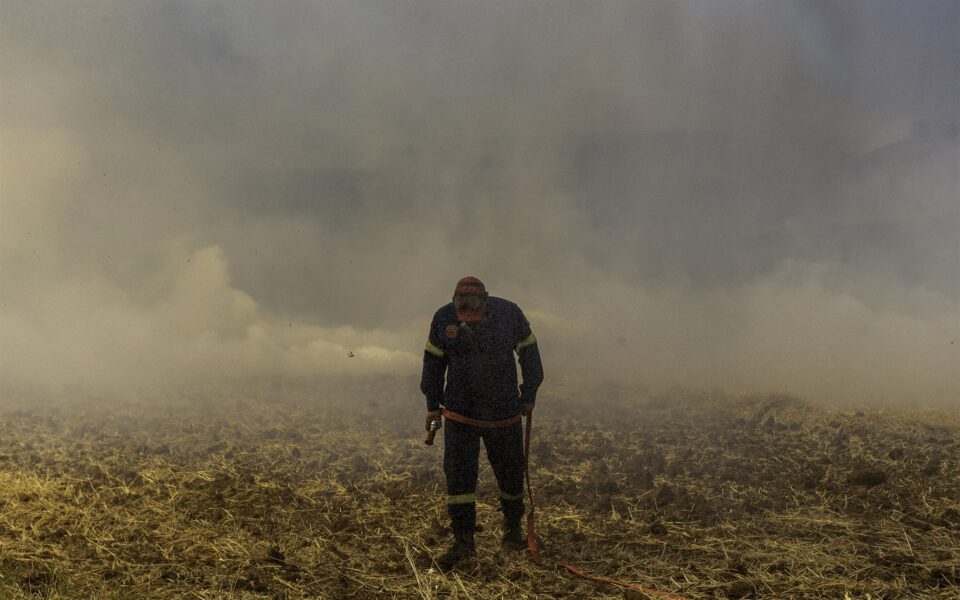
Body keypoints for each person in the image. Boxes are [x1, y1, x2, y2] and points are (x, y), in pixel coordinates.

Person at [420, 276, 544, 571]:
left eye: (474, 313)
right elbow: (433, 363)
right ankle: (463, 542)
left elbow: (531, 356)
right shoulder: (443, 318)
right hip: (460, 414)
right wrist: (432, 405)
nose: (468, 320)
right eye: (463, 314)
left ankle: (512, 534)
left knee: (511, 475)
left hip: (504, 414)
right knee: (459, 480)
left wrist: (528, 395)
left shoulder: (510, 314)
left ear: (486, 301)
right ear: (454, 304)